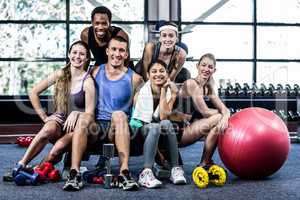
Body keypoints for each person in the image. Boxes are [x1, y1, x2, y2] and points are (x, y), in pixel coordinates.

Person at [46, 36, 143, 191]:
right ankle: (74, 173)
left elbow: (141, 110)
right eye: (114, 49)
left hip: (118, 127)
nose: (117, 54)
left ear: (126, 54)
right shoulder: (95, 71)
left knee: (118, 114)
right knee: (84, 117)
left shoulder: (136, 79)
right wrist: (71, 112)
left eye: (121, 50)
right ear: (107, 51)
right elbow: (76, 89)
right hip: (95, 127)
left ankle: (124, 172)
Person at [12, 41, 96, 177]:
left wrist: (77, 113)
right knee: (48, 128)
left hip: (76, 128)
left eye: (82, 54)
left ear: (87, 58)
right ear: (69, 55)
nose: (77, 56)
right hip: (59, 121)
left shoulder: (88, 81)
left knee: (56, 151)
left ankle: (35, 171)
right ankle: (21, 164)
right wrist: (45, 117)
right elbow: (33, 92)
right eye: (74, 53)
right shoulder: (60, 74)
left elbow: (90, 114)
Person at [130, 60, 187, 188]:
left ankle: (175, 169)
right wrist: (159, 154)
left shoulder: (168, 91)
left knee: (167, 123)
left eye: (162, 71)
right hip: (138, 129)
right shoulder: (141, 93)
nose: (158, 74)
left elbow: (163, 116)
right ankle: (146, 173)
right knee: (156, 126)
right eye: (154, 71)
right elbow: (140, 122)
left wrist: (165, 93)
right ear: (148, 74)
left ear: (167, 74)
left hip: (157, 128)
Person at [175, 53, 230, 168]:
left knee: (219, 121)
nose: (206, 69)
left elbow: (224, 108)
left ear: (214, 70)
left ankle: (205, 161)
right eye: (203, 65)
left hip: (188, 129)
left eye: (210, 67)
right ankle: (205, 162)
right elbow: (205, 111)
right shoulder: (191, 84)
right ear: (197, 66)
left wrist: (226, 114)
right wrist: (222, 114)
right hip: (177, 133)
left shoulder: (207, 87)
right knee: (218, 118)